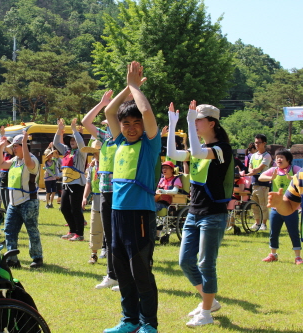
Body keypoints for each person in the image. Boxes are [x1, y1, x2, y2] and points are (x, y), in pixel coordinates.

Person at [103, 62, 160, 333]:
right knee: (121, 270)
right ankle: (130, 320)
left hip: (140, 214)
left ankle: (149, 323)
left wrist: (136, 88)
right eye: (127, 123)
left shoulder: (150, 144)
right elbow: (109, 111)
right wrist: (128, 87)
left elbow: (147, 111)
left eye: (136, 123)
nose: (131, 127)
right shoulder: (119, 142)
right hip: (117, 213)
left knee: (140, 272)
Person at [167, 101, 233, 327]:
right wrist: (173, 123)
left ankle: (206, 313)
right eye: (193, 120)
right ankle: (210, 301)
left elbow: (196, 151)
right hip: (194, 212)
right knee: (185, 261)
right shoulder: (199, 148)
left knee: (206, 264)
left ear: (212, 123)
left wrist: (187, 120)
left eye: (198, 120)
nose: (194, 124)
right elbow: (172, 153)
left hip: (214, 214)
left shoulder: (222, 149)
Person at [82, 92, 121, 290]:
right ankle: (111, 275)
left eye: (109, 123)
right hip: (106, 191)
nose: (106, 126)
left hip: (121, 191)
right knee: (110, 235)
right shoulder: (105, 139)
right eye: (106, 124)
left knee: (120, 235)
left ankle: (122, 276)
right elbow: (85, 121)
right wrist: (101, 103)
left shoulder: (124, 139)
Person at [0, 133, 43, 269]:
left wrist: (24, 144)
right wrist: (0, 148)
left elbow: (29, 164)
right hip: (13, 203)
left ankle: (37, 258)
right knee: (9, 230)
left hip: (29, 202)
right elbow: (1, 164)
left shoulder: (32, 160)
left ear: (24, 147)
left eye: (16, 146)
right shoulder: (15, 160)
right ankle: (12, 259)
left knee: (32, 231)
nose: (13, 149)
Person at [258, 149, 302, 264]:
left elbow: (301, 178)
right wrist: (270, 178)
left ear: (288, 160)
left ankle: (298, 257)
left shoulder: (295, 169)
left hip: (291, 207)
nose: (278, 159)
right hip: (275, 208)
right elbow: (260, 177)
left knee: (293, 232)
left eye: (281, 157)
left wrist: (292, 178)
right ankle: (273, 254)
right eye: (277, 157)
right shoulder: (274, 170)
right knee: (274, 232)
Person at [54, 118, 87, 241]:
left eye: (74, 140)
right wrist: (59, 130)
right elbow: (56, 143)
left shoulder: (82, 152)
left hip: (77, 184)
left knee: (75, 209)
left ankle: (79, 233)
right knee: (64, 208)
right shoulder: (67, 151)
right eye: (71, 140)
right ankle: (72, 231)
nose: (73, 141)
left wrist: (74, 130)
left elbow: (81, 143)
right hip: (66, 184)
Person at [81, 140, 103, 265]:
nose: (94, 154)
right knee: (94, 227)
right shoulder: (92, 166)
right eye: (93, 152)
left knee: (109, 228)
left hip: (109, 199)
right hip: (96, 200)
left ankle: (107, 250)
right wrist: (85, 197)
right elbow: (88, 183)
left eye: (96, 152)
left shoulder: (109, 165)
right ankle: (94, 254)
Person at [246, 134, 271, 230]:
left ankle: (263, 224)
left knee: (263, 204)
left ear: (264, 143)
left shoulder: (267, 155)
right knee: (254, 204)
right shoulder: (253, 156)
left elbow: (260, 168)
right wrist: (251, 171)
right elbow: (250, 167)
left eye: (259, 142)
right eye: (255, 142)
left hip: (263, 184)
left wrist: (251, 172)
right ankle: (257, 223)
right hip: (254, 183)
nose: (256, 144)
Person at [43, 144, 58, 209]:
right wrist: (54, 175)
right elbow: (48, 170)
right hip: (47, 179)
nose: (51, 155)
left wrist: (52, 147)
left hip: (53, 179)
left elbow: (54, 153)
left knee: (54, 191)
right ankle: (47, 204)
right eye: (49, 154)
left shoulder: (54, 161)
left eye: (51, 154)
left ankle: (51, 203)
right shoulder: (45, 163)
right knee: (48, 192)